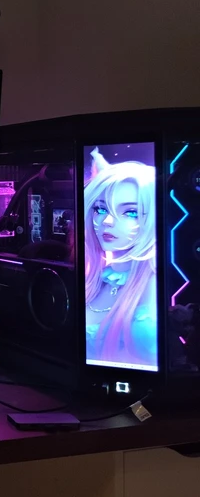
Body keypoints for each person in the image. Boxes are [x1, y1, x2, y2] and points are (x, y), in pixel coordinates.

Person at [84, 148, 157, 368]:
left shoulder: (156, 284)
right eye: (100, 209)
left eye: (130, 212)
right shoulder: (94, 279)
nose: (107, 221)